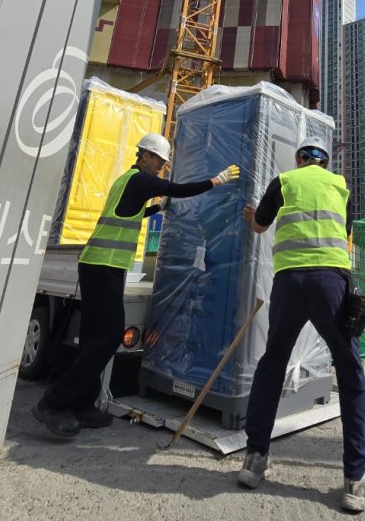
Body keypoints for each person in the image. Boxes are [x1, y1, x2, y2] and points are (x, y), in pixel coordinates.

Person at [32, 133, 239, 438]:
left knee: (93, 339)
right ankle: (54, 403)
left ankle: (82, 405)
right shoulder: (142, 180)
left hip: (99, 265)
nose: (161, 167)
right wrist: (215, 181)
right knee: (107, 338)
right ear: (145, 156)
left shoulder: (126, 180)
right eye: (159, 161)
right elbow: (178, 188)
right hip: (103, 267)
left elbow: (133, 213)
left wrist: (158, 208)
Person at [237, 137, 365, 513]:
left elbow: (260, 227)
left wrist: (254, 218)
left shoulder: (285, 181)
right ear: (325, 163)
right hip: (332, 281)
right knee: (349, 372)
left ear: (300, 159)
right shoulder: (341, 186)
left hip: (290, 281)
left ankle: (254, 459)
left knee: (273, 362)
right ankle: (355, 481)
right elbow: (343, 232)